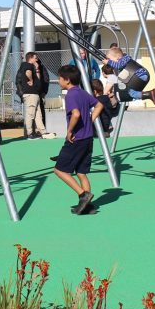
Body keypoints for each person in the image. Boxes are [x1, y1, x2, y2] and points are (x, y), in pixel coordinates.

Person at [54, 66, 103, 215]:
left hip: (77, 138)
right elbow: (99, 104)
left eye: (60, 78)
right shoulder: (82, 93)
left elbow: (75, 114)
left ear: (67, 80)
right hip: (88, 138)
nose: (58, 80)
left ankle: (83, 195)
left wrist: (69, 131)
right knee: (81, 173)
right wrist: (91, 119)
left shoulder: (70, 95)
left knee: (59, 170)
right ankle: (87, 207)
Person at [17, 51, 47, 139]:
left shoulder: (33, 66)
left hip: (35, 93)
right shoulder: (27, 65)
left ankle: (43, 131)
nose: (36, 59)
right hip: (30, 93)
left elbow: (38, 78)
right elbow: (28, 72)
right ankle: (29, 133)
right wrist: (30, 80)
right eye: (35, 58)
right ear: (30, 58)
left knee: (38, 114)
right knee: (30, 113)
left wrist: (37, 69)